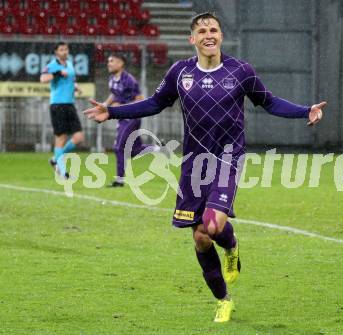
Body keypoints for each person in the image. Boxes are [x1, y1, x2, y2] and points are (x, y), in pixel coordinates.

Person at [84, 12, 326, 322]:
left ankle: (231, 244)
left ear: (221, 36)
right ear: (192, 39)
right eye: (201, 30)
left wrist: (306, 110)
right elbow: (154, 104)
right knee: (199, 237)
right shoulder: (180, 72)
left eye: (213, 29)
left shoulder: (241, 71)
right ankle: (223, 299)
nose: (208, 34)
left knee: (212, 225)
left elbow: (269, 101)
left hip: (228, 158)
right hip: (194, 164)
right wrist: (113, 112)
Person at [103, 54, 159, 187]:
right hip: (122, 118)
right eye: (108, 61)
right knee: (134, 150)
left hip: (131, 118)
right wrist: (105, 105)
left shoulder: (129, 80)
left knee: (119, 148)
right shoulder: (112, 79)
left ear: (121, 63)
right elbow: (114, 94)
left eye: (112, 60)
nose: (109, 64)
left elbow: (140, 99)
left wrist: (120, 107)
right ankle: (158, 149)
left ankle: (119, 180)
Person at [40, 42, 84, 179]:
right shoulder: (53, 65)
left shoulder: (70, 64)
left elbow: (71, 79)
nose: (64, 51)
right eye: (61, 49)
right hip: (58, 105)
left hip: (70, 104)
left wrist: (75, 86)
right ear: (56, 52)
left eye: (66, 49)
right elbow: (43, 79)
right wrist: (58, 73)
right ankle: (63, 172)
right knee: (61, 138)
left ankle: (55, 159)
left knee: (79, 137)